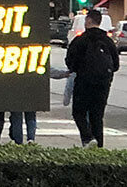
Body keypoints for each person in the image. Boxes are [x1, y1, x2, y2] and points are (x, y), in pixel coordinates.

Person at [65, 9, 119, 147]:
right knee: (97, 115)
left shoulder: (80, 40)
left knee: (79, 112)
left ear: (88, 20)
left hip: (84, 82)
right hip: (103, 83)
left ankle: (88, 138)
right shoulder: (107, 41)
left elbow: (70, 62)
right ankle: (99, 146)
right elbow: (116, 64)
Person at [8, 67, 70, 144]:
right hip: (32, 90)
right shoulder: (35, 58)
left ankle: (18, 141)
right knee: (31, 116)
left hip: (15, 90)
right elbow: (48, 70)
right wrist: (63, 74)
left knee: (16, 117)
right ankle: (31, 138)